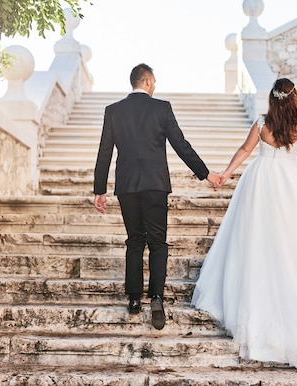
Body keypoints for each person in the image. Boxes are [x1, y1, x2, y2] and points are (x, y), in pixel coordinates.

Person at [191, 77, 297, 367]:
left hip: (260, 180)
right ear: (294, 97)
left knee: (256, 239)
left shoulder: (261, 123)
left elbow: (245, 150)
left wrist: (226, 174)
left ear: (272, 97)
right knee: (293, 243)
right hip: (289, 182)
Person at [93, 63, 221, 330]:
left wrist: (99, 190)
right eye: (155, 82)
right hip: (155, 185)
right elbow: (181, 145)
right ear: (148, 81)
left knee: (135, 240)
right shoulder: (161, 108)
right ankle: (157, 297)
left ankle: (133, 299)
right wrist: (206, 174)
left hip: (127, 186)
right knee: (158, 242)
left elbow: (104, 151)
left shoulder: (113, 111)